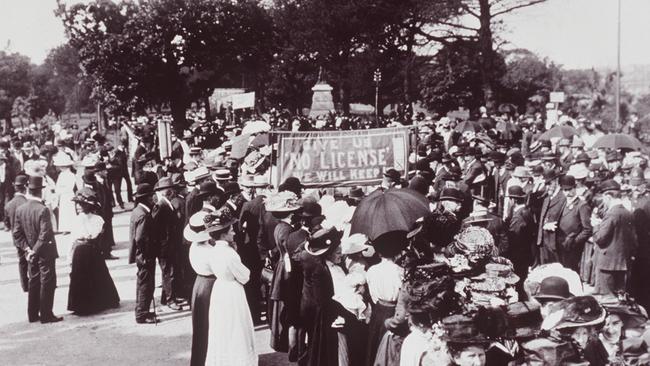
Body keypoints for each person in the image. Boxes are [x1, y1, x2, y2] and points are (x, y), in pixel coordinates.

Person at [203, 208, 257, 366]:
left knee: (222, 326)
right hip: (233, 291)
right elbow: (245, 276)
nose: (234, 232)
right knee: (236, 326)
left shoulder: (212, 251)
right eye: (231, 229)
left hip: (220, 290)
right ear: (223, 233)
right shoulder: (230, 254)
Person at [12, 175, 62, 323]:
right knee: (47, 282)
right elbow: (44, 234)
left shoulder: (21, 209)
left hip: (30, 254)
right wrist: (35, 250)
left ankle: (32, 314)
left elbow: (17, 234)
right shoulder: (43, 210)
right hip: (44, 253)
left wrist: (27, 249)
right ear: (40, 191)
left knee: (33, 281)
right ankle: (46, 314)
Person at [67, 188, 120, 315]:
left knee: (90, 275)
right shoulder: (93, 219)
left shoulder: (92, 219)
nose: (78, 207)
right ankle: (95, 302)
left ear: (88, 206)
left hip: (86, 249)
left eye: (81, 204)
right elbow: (74, 239)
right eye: (77, 204)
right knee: (93, 275)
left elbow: (78, 238)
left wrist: (69, 256)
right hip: (89, 249)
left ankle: (88, 304)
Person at [592, 179, 638, 295]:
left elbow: (600, 239)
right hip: (622, 263)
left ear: (608, 196)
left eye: (603, 197)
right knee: (620, 297)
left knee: (607, 298)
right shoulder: (628, 213)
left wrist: (596, 225)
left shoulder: (611, 214)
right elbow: (633, 240)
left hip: (607, 265)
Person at [185, 209, 217, 366]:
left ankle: (198, 360)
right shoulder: (210, 251)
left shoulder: (194, 247)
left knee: (200, 325)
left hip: (199, 284)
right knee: (210, 325)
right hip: (210, 286)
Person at [152, 177, 183, 310]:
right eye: (171, 190)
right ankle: (171, 300)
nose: (173, 192)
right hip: (165, 247)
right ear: (165, 191)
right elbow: (156, 228)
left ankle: (167, 297)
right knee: (168, 272)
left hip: (170, 245)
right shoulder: (160, 206)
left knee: (170, 271)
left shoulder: (167, 204)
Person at [128, 183, 158, 324]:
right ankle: (142, 314)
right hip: (145, 256)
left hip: (141, 255)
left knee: (143, 283)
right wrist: (147, 254)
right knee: (146, 285)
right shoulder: (144, 215)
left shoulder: (137, 211)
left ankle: (142, 310)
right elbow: (140, 238)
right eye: (151, 196)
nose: (154, 198)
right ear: (146, 198)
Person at [556, 174, 592, 272]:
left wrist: (574, 242)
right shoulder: (563, 203)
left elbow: (587, 229)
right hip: (560, 244)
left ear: (575, 187)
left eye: (570, 189)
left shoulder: (582, 205)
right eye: (565, 190)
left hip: (572, 247)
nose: (567, 193)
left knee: (572, 272)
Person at [5, 175, 29, 292]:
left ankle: (25, 285)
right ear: (25, 187)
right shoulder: (27, 202)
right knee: (33, 259)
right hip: (29, 236)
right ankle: (34, 282)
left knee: (21, 260)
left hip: (16, 238)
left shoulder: (9, 204)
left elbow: (7, 224)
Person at [53, 153, 76, 234]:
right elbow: (57, 186)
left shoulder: (71, 175)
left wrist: (61, 190)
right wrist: (58, 191)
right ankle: (65, 228)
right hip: (63, 196)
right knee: (63, 212)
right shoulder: (61, 175)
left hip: (68, 195)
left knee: (69, 211)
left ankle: (72, 227)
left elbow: (69, 187)